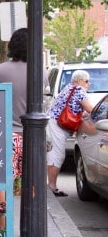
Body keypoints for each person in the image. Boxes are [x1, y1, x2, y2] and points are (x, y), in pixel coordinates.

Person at [0, 28, 48, 227]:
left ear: (12, 45)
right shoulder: (41, 72)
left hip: (6, 135)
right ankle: (32, 221)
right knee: (33, 180)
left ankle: (4, 223)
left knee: (4, 181)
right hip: (33, 135)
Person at [47, 69, 92, 197]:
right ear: (79, 81)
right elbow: (89, 108)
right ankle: (52, 186)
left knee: (53, 154)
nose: (89, 84)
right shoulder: (78, 90)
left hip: (53, 123)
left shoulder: (69, 87)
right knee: (57, 155)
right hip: (56, 125)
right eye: (87, 81)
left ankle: (51, 185)